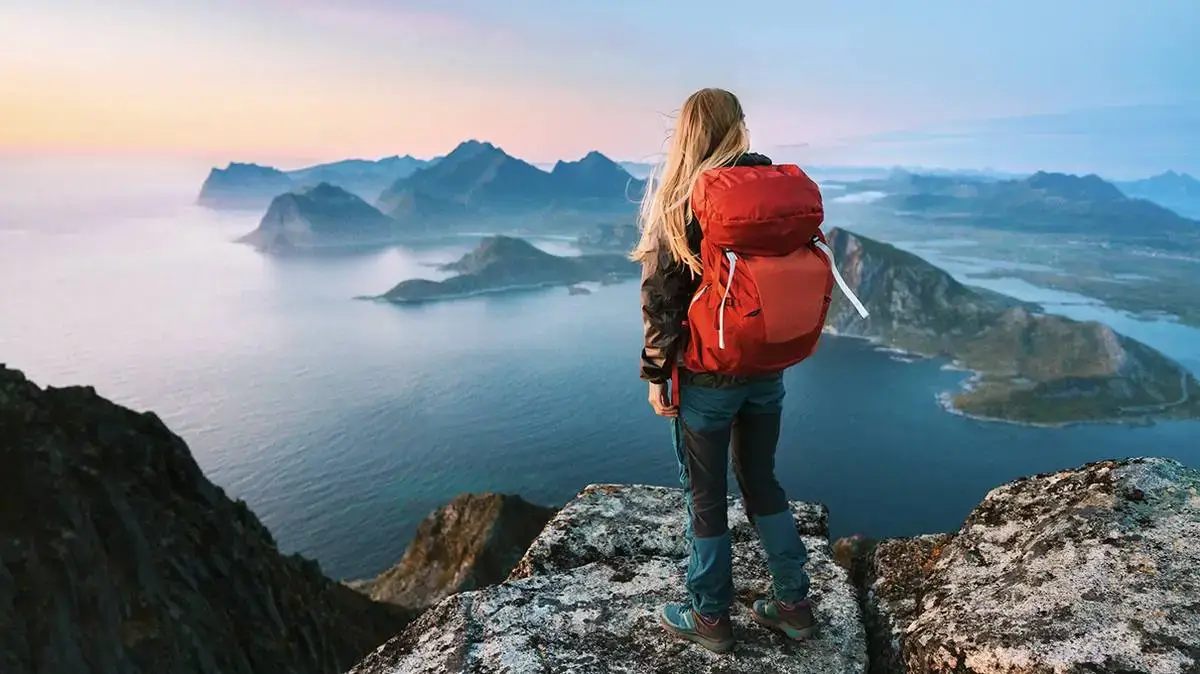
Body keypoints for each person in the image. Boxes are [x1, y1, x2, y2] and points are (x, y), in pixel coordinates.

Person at [631, 87, 820, 654]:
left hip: (707, 374)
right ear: (739, 126)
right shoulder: (770, 191)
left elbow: (663, 296)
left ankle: (710, 615)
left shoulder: (686, 199)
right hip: (766, 366)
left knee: (707, 497)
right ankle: (794, 605)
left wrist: (657, 374)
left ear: (686, 133)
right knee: (763, 481)